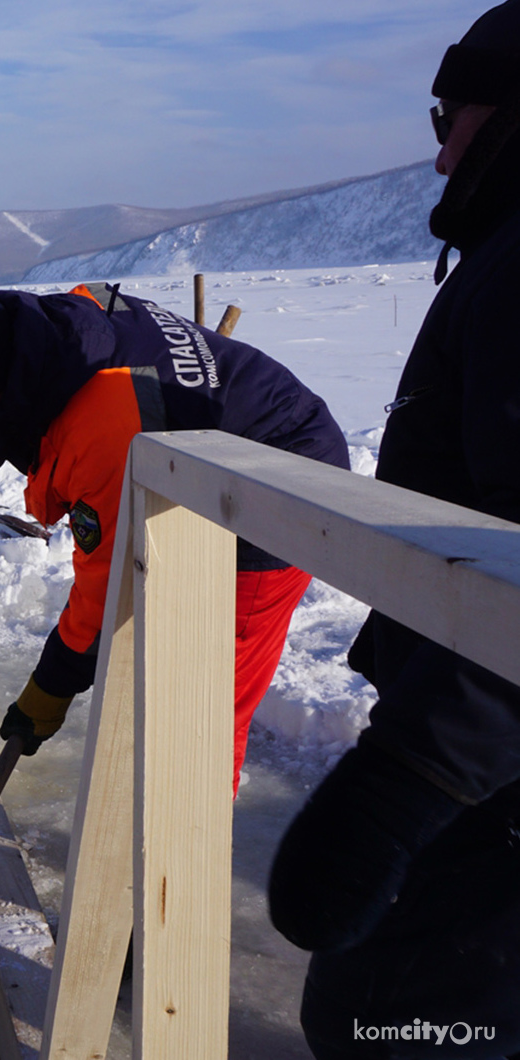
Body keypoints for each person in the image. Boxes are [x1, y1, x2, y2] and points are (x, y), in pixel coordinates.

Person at [268, 5, 520, 1055]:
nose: (434, 149)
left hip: (489, 760)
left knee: (385, 1020)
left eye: (445, 112)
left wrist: (411, 779)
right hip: (480, 732)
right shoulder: (502, 251)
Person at [0, 284, 347, 791]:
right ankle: (143, 805)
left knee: (209, 698)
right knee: (163, 646)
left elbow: (105, 587)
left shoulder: (103, 424)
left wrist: (50, 687)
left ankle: (191, 843)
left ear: (10, 379)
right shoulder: (58, 330)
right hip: (206, 464)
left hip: (286, 481)